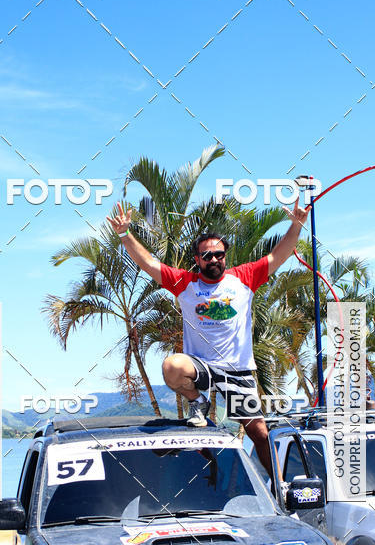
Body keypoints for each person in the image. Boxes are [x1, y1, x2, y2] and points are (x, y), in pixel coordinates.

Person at [107, 200, 308, 476]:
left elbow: (279, 255)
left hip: (237, 372)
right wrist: (124, 234)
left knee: (259, 434)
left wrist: (296, 225)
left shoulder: (245, 277)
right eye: (207, 255)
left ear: (225, 256)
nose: (213, 259)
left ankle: (279, 485)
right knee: (172, 366)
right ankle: (197, 401)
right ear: (197, 260)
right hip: (202, 368)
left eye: (219, 254)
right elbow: (149, 263)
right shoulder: (185, 283)